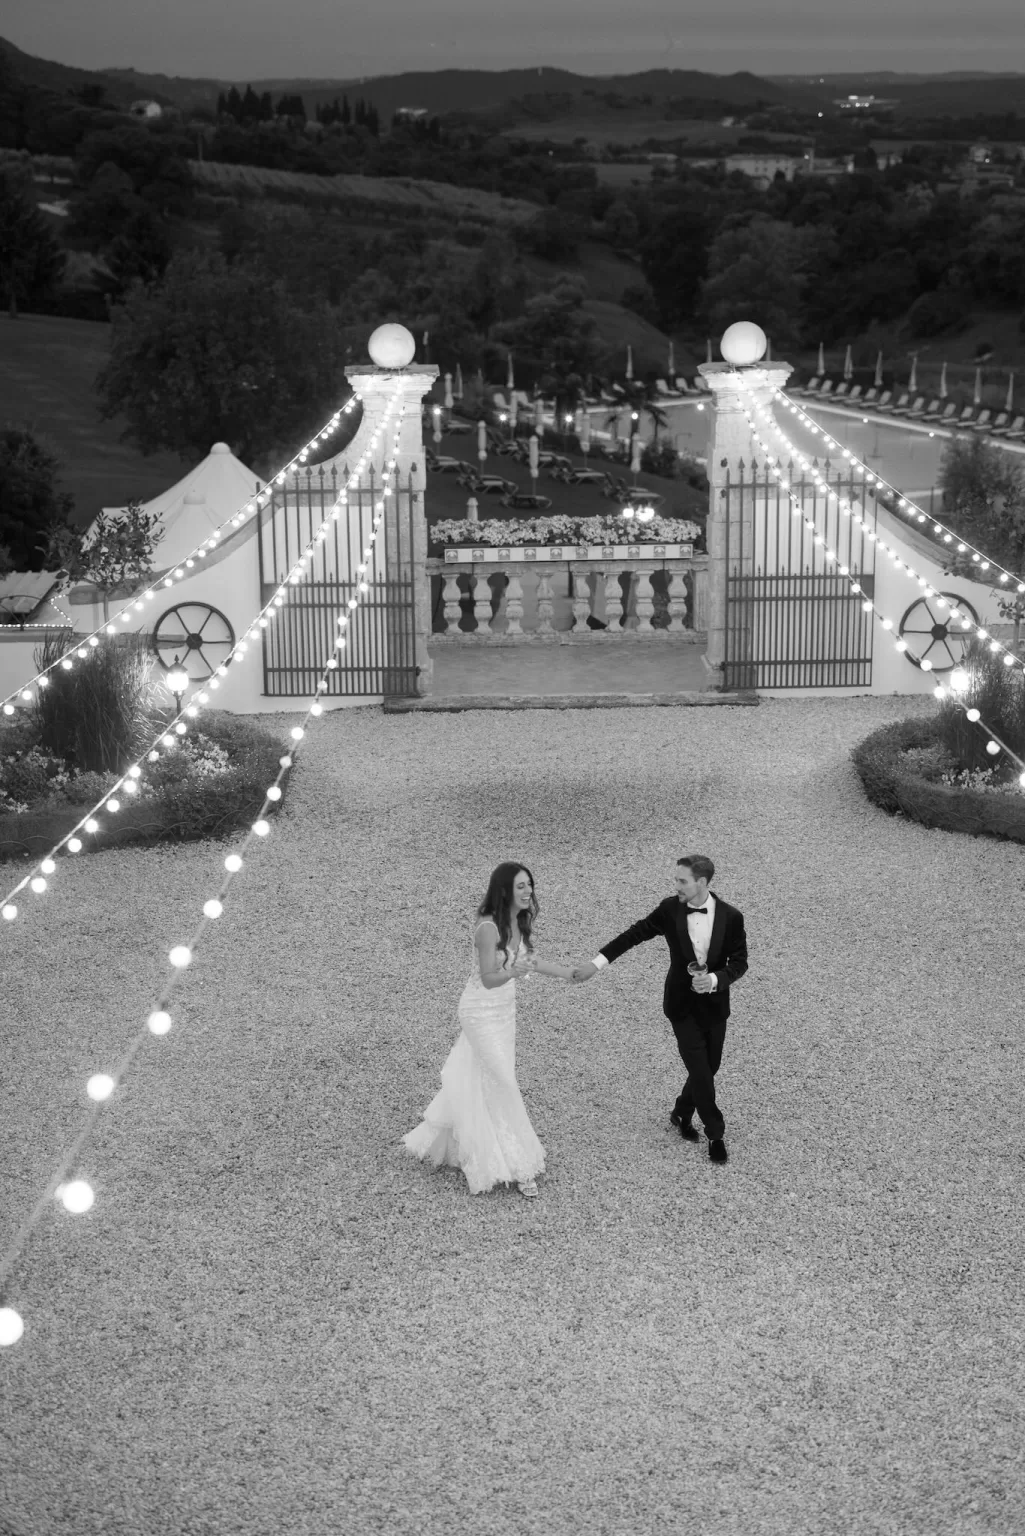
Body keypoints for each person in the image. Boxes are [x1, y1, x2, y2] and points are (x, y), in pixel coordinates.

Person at [403, 863, 575, 1198]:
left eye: (530, 885)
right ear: (504, 890)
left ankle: (460, 1139)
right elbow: (488, 978)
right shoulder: (487, 928)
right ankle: (520, 1164)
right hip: (480, 1011)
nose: (528, 892)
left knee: (484, 1076)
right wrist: (513, 971)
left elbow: (531, 962)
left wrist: (568, 973)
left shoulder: (518, 920)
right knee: (504, 1080)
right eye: (521, 886)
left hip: (504, 1012)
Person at [572, 855, 747, 1165]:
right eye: (676, 880)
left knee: (709, 1066)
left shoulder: (732, 917)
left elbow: (739, 962)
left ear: (702, 883)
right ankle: (715, 1133)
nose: (676, 886)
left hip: (716, 1006)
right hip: (680, 1006)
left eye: (682, 881)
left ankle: (681, 1112)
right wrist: (597, 963)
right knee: (702, 1073)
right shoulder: (670, 909)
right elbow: (634, 934)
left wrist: (717, 979)